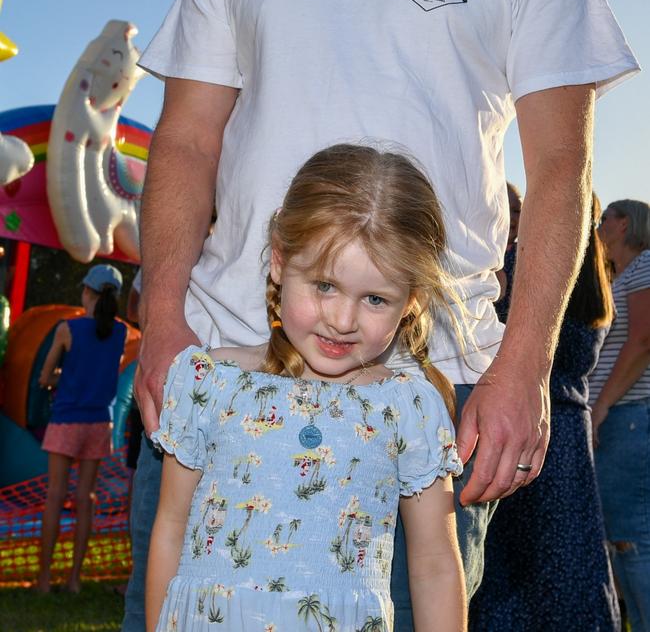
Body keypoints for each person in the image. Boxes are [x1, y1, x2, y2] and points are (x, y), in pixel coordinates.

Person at [123, 0, 639, 632]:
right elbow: (183, 145)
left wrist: (521, 367)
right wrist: (162, 322)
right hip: (223, 375)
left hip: (428, 391)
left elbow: (561, 170)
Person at [146, 144, 466, 632]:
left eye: (375, 298)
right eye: (324, 285)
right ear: (279, 261)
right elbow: (169, 528)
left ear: (411, 302)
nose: (341, 320)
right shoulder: (207, 383)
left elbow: (436, 567)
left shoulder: (408, 407)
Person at [471, 193, 620, 630]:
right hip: (571, 428)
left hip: (522, 419)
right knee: (571, 551)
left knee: (516, 560)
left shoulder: (525, 271)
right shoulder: (597, 282)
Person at [36, 264, 126, 593]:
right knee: (85, 498)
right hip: (100, 422)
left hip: (66, 419)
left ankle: (44, 580)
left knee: (55, 497)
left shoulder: (66, 329)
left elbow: (45, 378)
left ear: (87, 292)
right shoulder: (121, 332)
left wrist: (60, 378)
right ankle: (75, 580)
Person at [590, 199, 650, 632]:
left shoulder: (645, 265)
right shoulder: (622, 274)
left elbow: (644, 339)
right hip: (622, 416)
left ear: (624, 223)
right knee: (623, 538)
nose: (598, 225)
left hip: (629, 416)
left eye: (604, 218)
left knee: (633, 538)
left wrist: (603, 404)